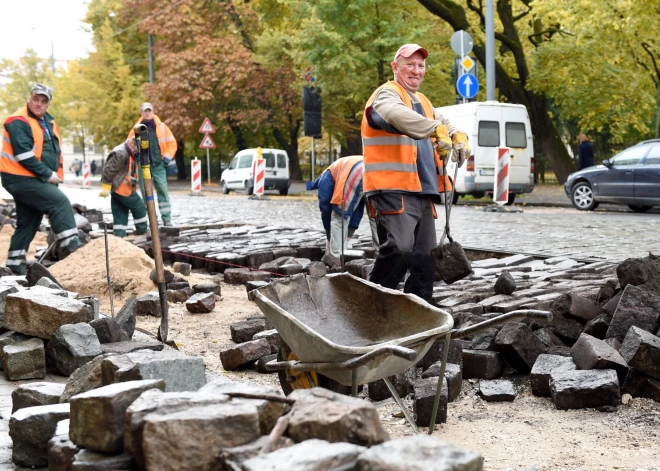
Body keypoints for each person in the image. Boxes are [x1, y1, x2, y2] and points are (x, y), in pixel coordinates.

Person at [361, 44, 470, 303]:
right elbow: (395, 114)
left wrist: (457, 133)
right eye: (410, 64)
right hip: (392, 188)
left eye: (420, 66)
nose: (416, 70)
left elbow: (442, 120)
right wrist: (435, 129)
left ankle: (417, 312)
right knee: (400, 249)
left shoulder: (422, 101)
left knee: (425, 259)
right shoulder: (386, 95)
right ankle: (369, 305)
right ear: (395, 67)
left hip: (423, 191)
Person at [1, 83, 83, 274]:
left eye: (43, 101)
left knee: (29, 220)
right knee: (60, 202)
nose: (39, 104)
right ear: (29, 99)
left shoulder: (48, 123)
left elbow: (51, 151)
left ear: (48, 104)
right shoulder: (18, 120)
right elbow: (23, 155)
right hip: (19, 177)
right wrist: (48, 175)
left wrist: (53, 174)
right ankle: (73, 246)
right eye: (36, 99)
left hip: (31, 178)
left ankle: (14, 265)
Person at [307, 155, 378, 268]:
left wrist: (329, 236)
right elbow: (357, 208)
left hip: (357, 171)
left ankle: (336, 258)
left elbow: (326, 210)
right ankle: (381, 255)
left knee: (339, 216)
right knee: (376, 217)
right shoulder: (338, 170)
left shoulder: (325, 178)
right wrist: (350, 232)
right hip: (375, 171)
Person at [127, 102, 177, 226]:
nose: (147, 113)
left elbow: (172, 143)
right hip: (143, 166)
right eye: (145, 111)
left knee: (162, 190)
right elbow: (128, 146)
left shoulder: (162, 127)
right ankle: (152, 220)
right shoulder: (136, 129)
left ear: (153, 111)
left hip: (158, 165)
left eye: (149, 110)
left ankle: (167, 218)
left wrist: (167, 157)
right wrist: (135, 155)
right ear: (142, 113)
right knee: (146, 193)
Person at [99, 139, 149, 238]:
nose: (137, 151)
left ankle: (119, 235)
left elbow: (120, 171)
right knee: (139, 207)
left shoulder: (124, 151)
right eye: (137, 148)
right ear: (132, 144)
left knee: (120, 212)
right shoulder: (122, 153)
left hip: (116, 188)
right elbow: (109, 169)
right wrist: (106, 186)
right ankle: (142, 230)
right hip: (121, 187)